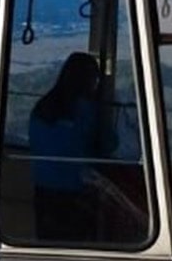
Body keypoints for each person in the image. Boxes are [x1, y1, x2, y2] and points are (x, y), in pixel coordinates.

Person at [27, 52, 110, 241]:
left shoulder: (42, 107)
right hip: (75, 190)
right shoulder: (85, 110)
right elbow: (108, 143)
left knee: (48, 241)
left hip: (43, 187)